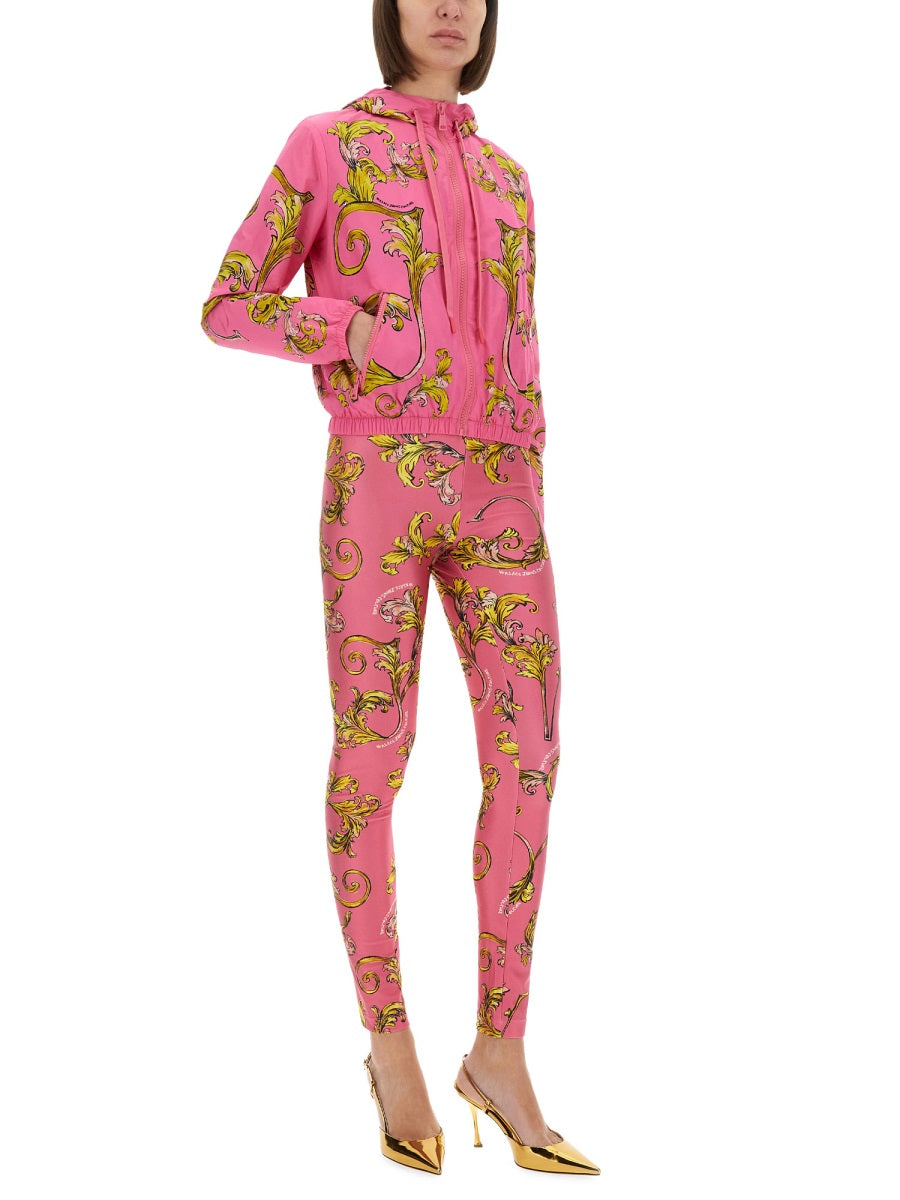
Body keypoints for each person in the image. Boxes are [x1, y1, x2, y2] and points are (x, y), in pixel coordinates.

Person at [200, 0, 599, 1176]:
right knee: (375, 752)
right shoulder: (327, 143)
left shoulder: (512, 179)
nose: (451, 6)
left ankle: (501, 1049)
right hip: (379, 477)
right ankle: (390, 1042)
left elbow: (520, 338)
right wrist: (351, 333)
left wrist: (528, 453)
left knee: (531, 754)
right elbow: (227, 305)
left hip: (504, 490)